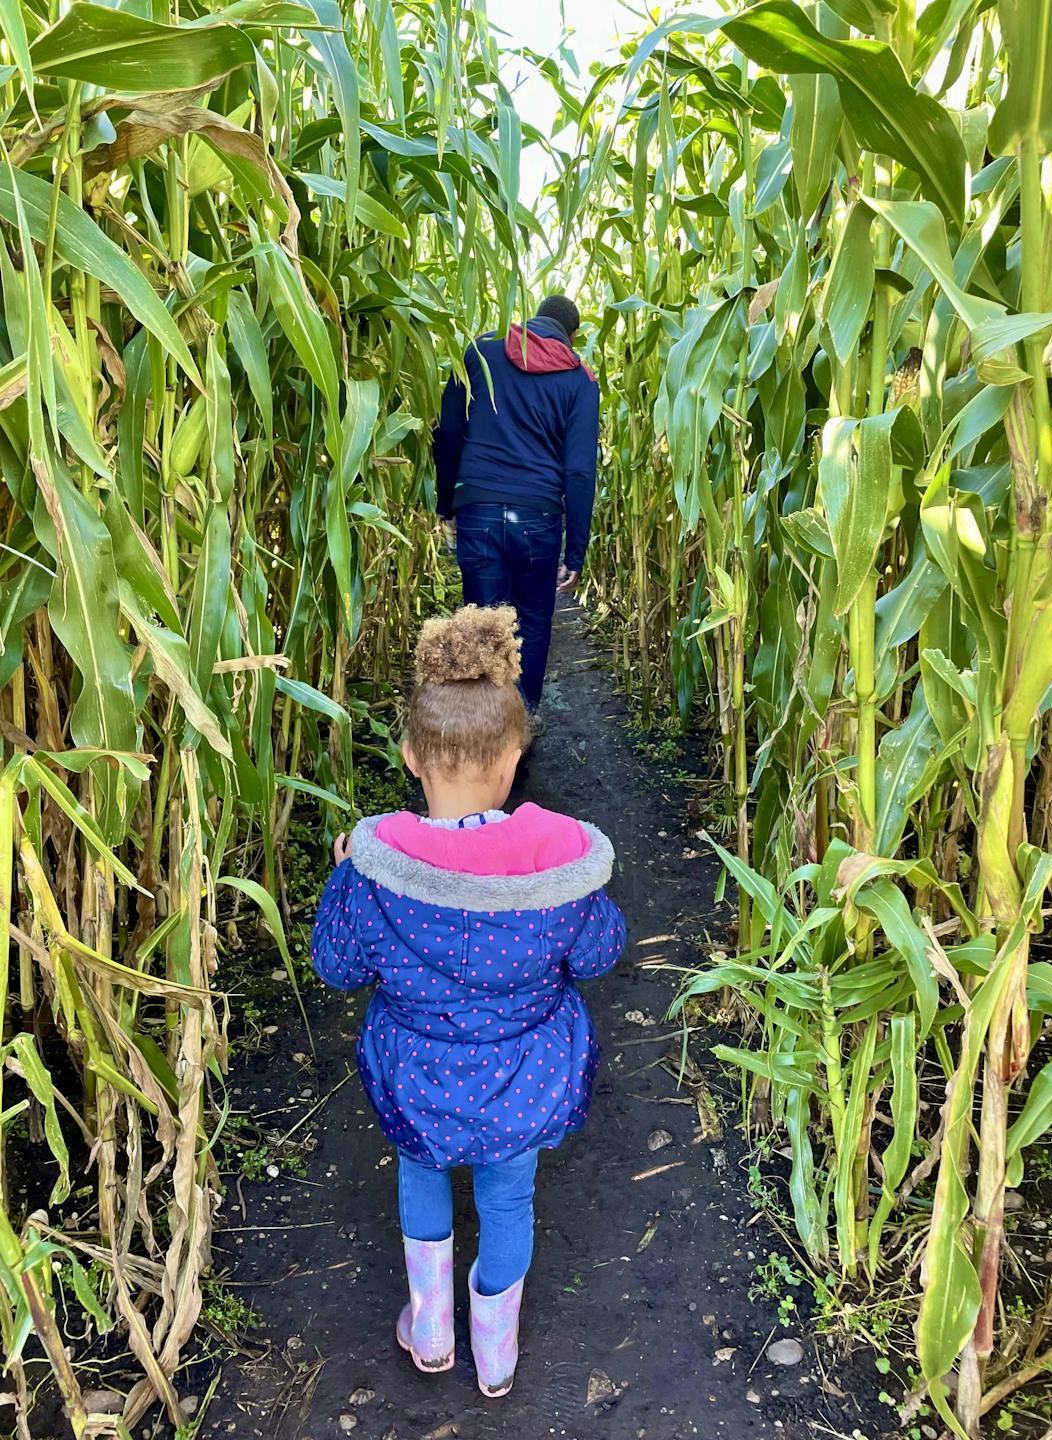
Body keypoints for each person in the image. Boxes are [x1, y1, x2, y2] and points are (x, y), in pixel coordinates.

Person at [311, 605, 626, 1398]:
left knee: (421, 1179)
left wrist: (346, 872)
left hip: (416, 1076)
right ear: (517, 755)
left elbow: (337, 966)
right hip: (523, 1078)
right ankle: (496, 1354)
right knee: (509, 1198)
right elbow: (598, 952)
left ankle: (429, 1333)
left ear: (412, 757)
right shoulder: (559, 867)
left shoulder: (377, 868)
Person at [433, 295, 601, 713]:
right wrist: (576, 551)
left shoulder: (480, 352)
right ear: (572, 335)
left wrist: (446, 503)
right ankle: (521, 725)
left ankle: (487, 729)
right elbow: (579, 471)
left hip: (479, 508)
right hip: (538, 517)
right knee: (532, 621)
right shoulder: (579, 379)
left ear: (532, 319)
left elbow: (448, 433)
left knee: (484, 626)